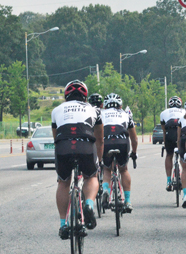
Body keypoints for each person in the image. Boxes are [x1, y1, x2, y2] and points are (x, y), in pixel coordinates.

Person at [52, 80, 104, 239]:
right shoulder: (94, 110)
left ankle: (63, 225)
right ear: (85, 97)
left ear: (66, 96)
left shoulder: (56, 110)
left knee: (63, 182)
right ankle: (88, 204)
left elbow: (55, 138)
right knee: (91, 177)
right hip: (85, 145)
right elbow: (100, 139)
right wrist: (99, 162)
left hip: (63, 146)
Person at [100, 93, 138, 213]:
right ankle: (127, 201)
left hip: (106, 142)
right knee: (124, 170)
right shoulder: (126, 115)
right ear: (120, 105)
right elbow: (134, 139)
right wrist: (134, 152)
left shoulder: (100, 114)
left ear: (105, 106)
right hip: (122, 142)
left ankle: (105, 190)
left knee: (107, 169)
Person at [160, 96, 184, 192]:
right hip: (181, 134)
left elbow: (164, 130)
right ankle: (184, 177)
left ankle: (169, 181)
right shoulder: (184, 111)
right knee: (183, 156)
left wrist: (165, 143)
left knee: (169, 155)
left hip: (169, 134)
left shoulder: (164, 113)